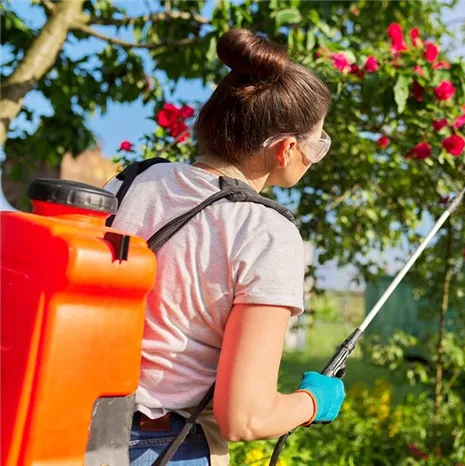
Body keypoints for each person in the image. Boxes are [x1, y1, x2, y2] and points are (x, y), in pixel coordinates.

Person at [103, 28, 346, 466]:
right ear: (287, 149)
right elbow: (245, 416)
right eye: (318, 143)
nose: (315, 155)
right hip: (166, 448)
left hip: (72, 426)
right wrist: (314, 402)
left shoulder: (134, 179)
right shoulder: (267, 232)